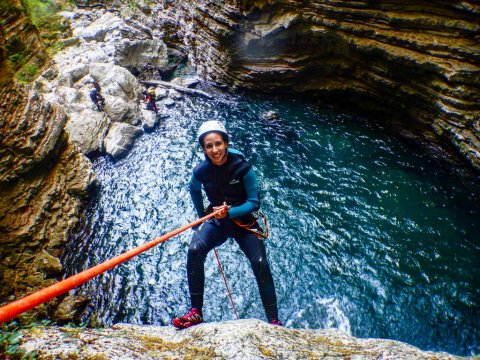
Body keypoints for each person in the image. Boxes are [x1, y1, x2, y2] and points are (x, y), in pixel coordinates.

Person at [172, 120, 282, 329]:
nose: (215, 150)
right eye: (209, 146)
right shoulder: (201, 171)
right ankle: (196, 311)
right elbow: (194, 190)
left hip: (243, 223)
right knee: (194, 250)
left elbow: (254, 202)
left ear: (226, 143)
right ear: (203, 148)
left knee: (260, 263)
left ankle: (274, 320)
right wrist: (201, 216)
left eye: (218, 144)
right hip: (217, 222)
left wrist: (229, 212)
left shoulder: (242, 167)